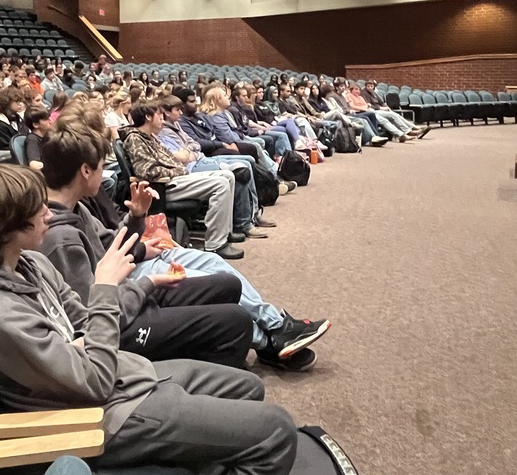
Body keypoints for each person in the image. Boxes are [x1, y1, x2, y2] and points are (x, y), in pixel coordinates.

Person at [0, 163, 297, 475]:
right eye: (37, 211)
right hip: (96, 415)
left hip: (119, 378)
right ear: (6, 227)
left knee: (247, 387)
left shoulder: (30, 264)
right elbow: (95, 380)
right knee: (277, 432)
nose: (48, 214)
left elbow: (86, 323)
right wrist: (103, 291)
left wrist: (133, 291)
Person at [43, 123, 327, 370]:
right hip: (124, 298)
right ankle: (270, 342)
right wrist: (146, 282)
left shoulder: (77, 208)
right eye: (101, 165)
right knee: (221, 301)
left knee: (216, 267)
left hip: (129, 274)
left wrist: (137, 217)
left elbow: (113, 246)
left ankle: (276, 326)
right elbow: (95, 310)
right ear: (85, 170)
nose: (104, 171)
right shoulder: (62, 238)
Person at [123, 101, 244, 260]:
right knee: (220, 184)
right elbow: (146, 171)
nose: (162, 117)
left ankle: (225, 232)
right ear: (148, 117)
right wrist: (176, 170)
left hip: (176, 178)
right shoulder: (135, 139)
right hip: (164, 185)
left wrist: (179, 168)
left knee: (228, 176)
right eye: (159, 114)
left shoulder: (150, 137)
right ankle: (216, 244)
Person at [0, 86, 28, 151]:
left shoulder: (17, 119)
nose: (20, 104)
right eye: (16, 101)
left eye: (20, 101)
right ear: (6, 102)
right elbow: (5, 148)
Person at [24, 105, 52, 170]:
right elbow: (34, 164)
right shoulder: (32, 140)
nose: (50, 121)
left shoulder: (48, 137)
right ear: (36, 125)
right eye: (46, 119)